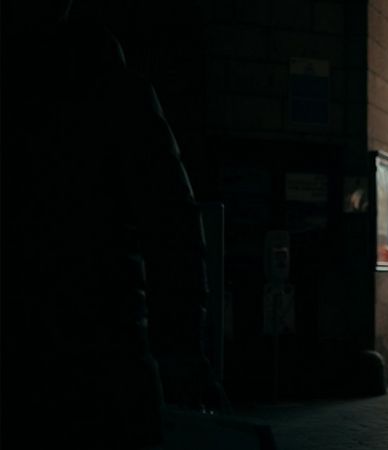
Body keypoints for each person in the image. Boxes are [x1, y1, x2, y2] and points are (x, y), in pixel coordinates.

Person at [2, 3, 225, 448]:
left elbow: (172, 226)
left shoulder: (102, 87)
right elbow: (172, 225)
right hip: (102, 353)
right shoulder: (112, 88)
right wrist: (180, 347)